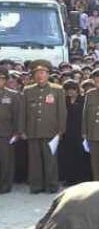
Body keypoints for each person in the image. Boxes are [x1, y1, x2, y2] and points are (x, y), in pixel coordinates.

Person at [22, 62, 67, 194]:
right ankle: (36, 186)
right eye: (37, 73)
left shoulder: (57, 89)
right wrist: (23, 130)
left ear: (48, 75)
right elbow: (23, 112)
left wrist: (61, 130)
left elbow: (62, 112)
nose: (40, 76)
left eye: (43, 73)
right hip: (33, 130)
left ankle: (51, 185)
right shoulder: (27, 90)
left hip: (51, 131)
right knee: (34, 160)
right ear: (33, 76)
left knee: (50, 160)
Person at [58, 81, 91, 186]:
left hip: (80, 132)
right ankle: (70, 179)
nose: (70, 92)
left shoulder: (83, 100)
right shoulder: (63, 101)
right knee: (68, 156)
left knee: (81, 155)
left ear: (77, 89)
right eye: (68, 90)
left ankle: (82, 178)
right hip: (66, 132)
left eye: (72, 89)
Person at [0, 70, 23, 193]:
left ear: (5, 80)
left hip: (6, 132)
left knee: (6, 160)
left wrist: (17, 131)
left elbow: (18, 115)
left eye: (2, 79)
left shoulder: (13, 95)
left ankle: (5, 185)